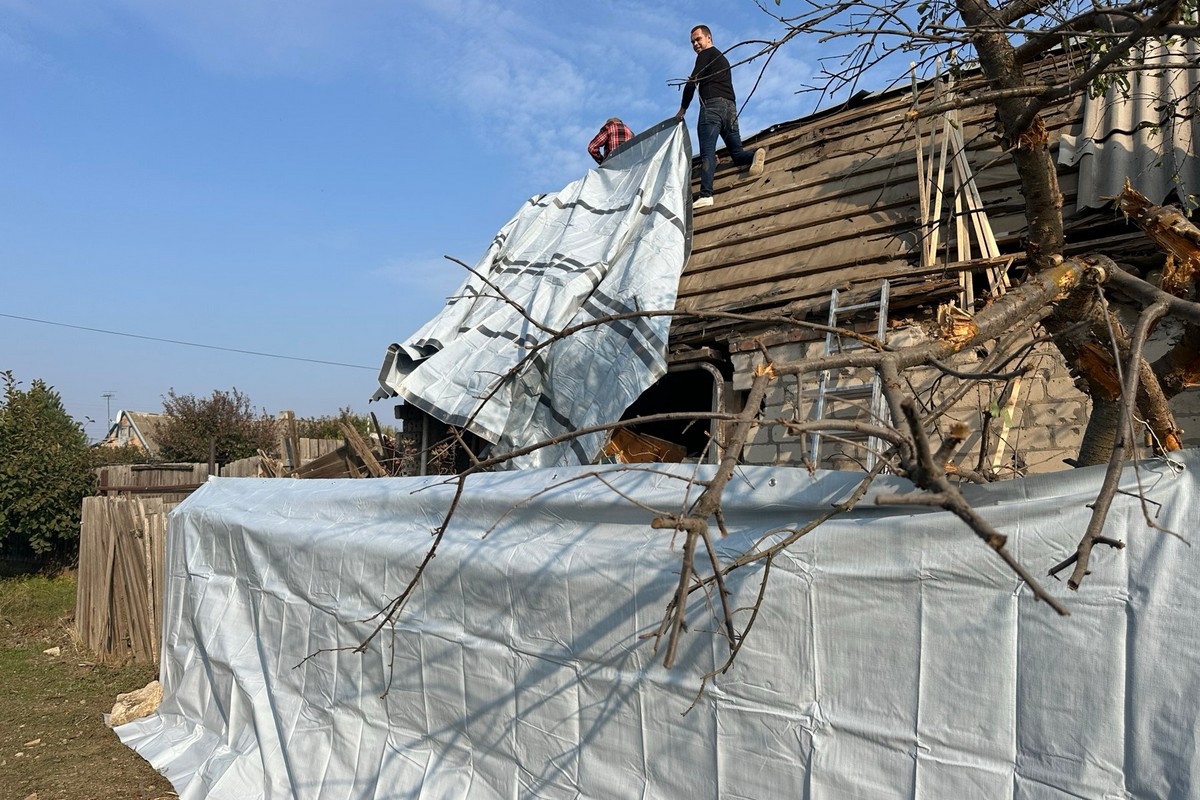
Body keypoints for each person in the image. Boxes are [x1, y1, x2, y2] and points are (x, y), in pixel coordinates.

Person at [675, 24, 766, 208]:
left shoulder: (706, 55)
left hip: (712, 107)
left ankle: (706, 195)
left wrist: (682, 109)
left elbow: (693, 82)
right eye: (692, 42)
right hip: (730, 108)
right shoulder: (722, 59)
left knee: (708, 151)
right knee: (737, 153)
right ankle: (755, 154)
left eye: (698, 39)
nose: (695, 44)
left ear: (709, 38)